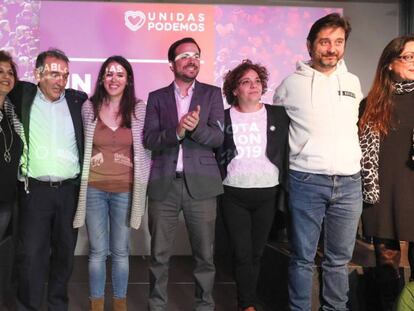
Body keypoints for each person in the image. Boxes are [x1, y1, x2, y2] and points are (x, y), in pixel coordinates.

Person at [273, 13, 363, 310]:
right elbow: (277, 136)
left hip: (350, 182)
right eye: (324, 41)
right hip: (306, 180)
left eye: (338, 42)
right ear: (310, 45)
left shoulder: (353, 82)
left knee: (339, 260)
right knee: (302, 258)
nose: (331, 49)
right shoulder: (289, 85)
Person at [144, 37, 224, 311]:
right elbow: (149, 139)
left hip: (201, 187)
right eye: (185, 55)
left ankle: (205, 306)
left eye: (196, 55)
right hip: (163, 186)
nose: (192, 59)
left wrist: (194, 128)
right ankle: (156, 306)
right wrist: (177, 131)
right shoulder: (156, 97)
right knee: (159, 255)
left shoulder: (212, 94)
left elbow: (218, 138)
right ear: (171, 64)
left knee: (204, 256)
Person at [9, 48, 88, 311]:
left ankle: (57, 306)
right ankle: (27, 306)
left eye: (65, 74)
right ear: (38, 74)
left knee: (65, 255)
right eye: (54, 73)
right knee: (31, 256)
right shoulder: (23, 95)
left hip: (68, 192)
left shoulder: (78, 101)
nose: (61, 80)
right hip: (35, 192)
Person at [72, 55, 151, 311]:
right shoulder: (88, 107)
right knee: (97, 252)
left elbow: (145, 150)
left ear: (128, 80)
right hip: (94, 189)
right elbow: (83, 146)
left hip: (125, 191)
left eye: (119, 74)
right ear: (102, 78)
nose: (113, 78)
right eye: (108, 73)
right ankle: (96, 304)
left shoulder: (139, 108)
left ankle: (119, 304)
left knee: (120, 251)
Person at [218, 60, 289, 311]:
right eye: (246, 82)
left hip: (268, 192)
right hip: (233, 193)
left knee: (257, 253)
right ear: (234, 90)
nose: (253, 86)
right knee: (242, 253)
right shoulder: (223, 117)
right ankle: (246, 303)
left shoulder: (278, 115)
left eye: (257, 81)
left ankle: (249, 300)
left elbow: (287, 152)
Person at [359, 35, 414, 311]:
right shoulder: (371, 103)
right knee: (386, 265)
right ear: (390, 63)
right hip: (381, 191)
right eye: (409, 57)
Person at [0, 50, 22, 242]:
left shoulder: (11, 114)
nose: (6, 76)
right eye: (0, 71)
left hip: (6, 197)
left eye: (10, 72)